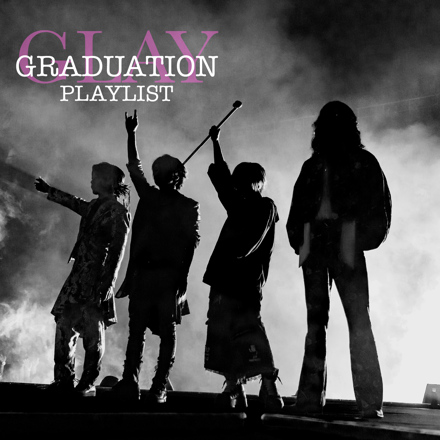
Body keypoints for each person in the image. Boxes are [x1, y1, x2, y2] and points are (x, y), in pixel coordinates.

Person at [286, 101, 392, 418]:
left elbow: (379, 212)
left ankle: (350, 401)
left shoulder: (351, 164)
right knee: (331, 324)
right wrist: (302, 240)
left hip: (337, 244)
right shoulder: (323, 165)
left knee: (345, 324)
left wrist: (351, 238)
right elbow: (296, 212)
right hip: (323, 247)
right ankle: (346, 401)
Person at [112, 110, 200, 404]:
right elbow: (134, 169)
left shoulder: (187, 206)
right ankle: (131, 381)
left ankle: (157, 385)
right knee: (138, 330)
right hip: (146, 274)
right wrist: (131, 135)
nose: (156, 174)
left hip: (168, 276)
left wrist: (182, 280)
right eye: (157, 171)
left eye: (161, 170)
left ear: (174, 176)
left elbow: (190, 245)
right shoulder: (152, 197)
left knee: (164, 332)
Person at [203, 125, 284, 413]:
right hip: (224, 279)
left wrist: (239, 252)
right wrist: (216, 142)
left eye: (245, 181)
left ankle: (268, 384)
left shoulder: (265, 207)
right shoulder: (237, 204)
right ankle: (234, 386)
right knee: (222, 330)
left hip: (246, 281)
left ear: (258, 184)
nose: (237, 185)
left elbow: (252, 241)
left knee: (249, 329)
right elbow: (222, 180)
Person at [34, 162, 131, 397]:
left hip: (97, 281)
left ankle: (87, 382)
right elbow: (74, 202)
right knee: (64, 325)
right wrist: (50, 190)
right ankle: (64, 379)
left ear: (108, 181)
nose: (91, 181)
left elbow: (117, 252)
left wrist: (108, 283)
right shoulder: (94, 207)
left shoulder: (118, 213)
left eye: (95, 177)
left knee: (93, 333)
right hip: (78, 278)